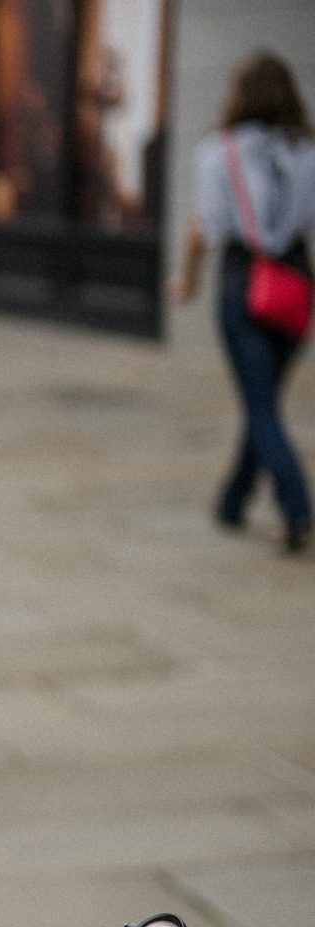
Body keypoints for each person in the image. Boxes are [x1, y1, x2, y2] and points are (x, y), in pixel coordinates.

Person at [172, 52, 315, 555]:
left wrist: (186, 280)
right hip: (297, 282)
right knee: (264, 400)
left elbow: (203, 229)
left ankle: (296, 504)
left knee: (260, 405)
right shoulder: (308, 150)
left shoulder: (219, 153)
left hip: (245, 282)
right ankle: (233, 500)